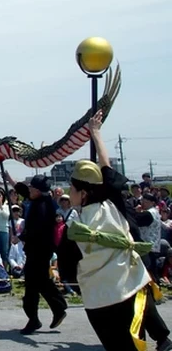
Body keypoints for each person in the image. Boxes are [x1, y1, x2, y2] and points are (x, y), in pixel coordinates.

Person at [65, 110, 171, 351]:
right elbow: (106, 166)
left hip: (100, 300)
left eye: (71, 188)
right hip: (130, 284)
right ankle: (163, 339)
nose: (67, 192)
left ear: (83, 193)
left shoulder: (74, 228)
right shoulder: (114, 202)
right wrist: (96, 133)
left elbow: (69, 268)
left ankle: (163, 339)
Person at [19, 174, 67, 335]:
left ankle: (35, 319)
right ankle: (57, 308)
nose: (29, 189)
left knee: (33, 285)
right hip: (39, 250)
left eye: (32, 187)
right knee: (40, 282)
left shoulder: (42, 207)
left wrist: (20, 237)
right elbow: (25, 192)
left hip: (39, 250)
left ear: (38, 190)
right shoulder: (42, 201)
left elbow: (36, 230)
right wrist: (11, 180)